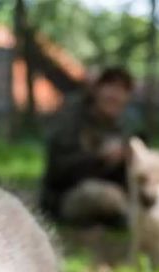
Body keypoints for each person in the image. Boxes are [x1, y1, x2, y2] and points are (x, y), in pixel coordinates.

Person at [40, 66, 140, 226]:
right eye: (111, 87)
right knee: (101, 195)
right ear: (97, 90)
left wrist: (126, 159)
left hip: (115, 192)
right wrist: (99, 158)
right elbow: (59, 170)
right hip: (67, 197)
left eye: (122, 90)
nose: (115, 95)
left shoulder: (128, 127)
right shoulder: (71, 118)